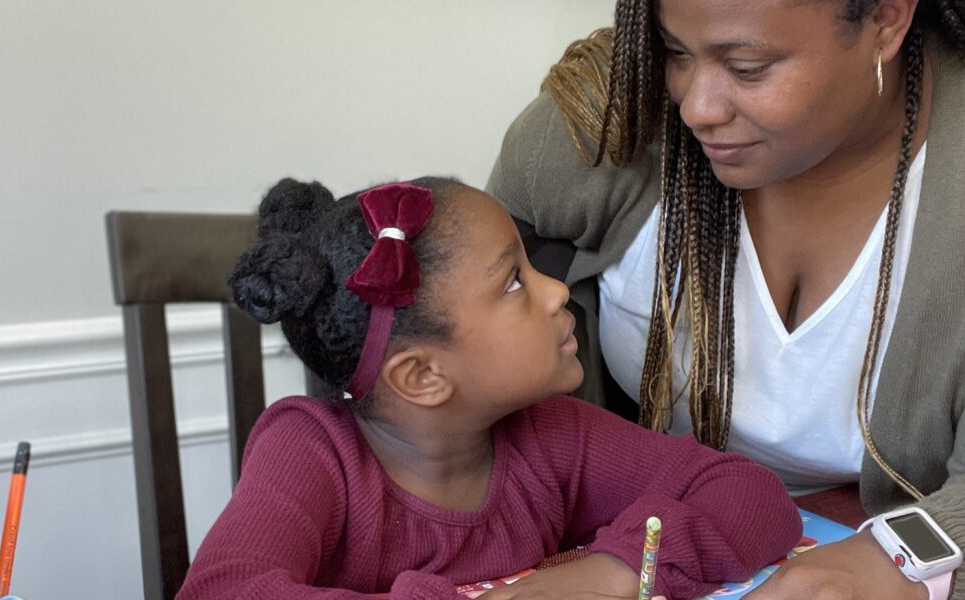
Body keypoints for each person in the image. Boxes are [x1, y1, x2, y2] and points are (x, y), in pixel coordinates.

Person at [486, 0, 965, 598]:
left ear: (887, 21)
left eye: (748, 66)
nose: (696, 107)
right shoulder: (606, 111)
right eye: (677, 53)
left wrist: (900, 560)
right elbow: (426, 329)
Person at [175, 177, 801, 599]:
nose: (557, 290)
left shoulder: (554, 431)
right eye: (513, 283)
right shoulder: (311, 452)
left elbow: (748, 493)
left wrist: (608, 573)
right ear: (422, 376)